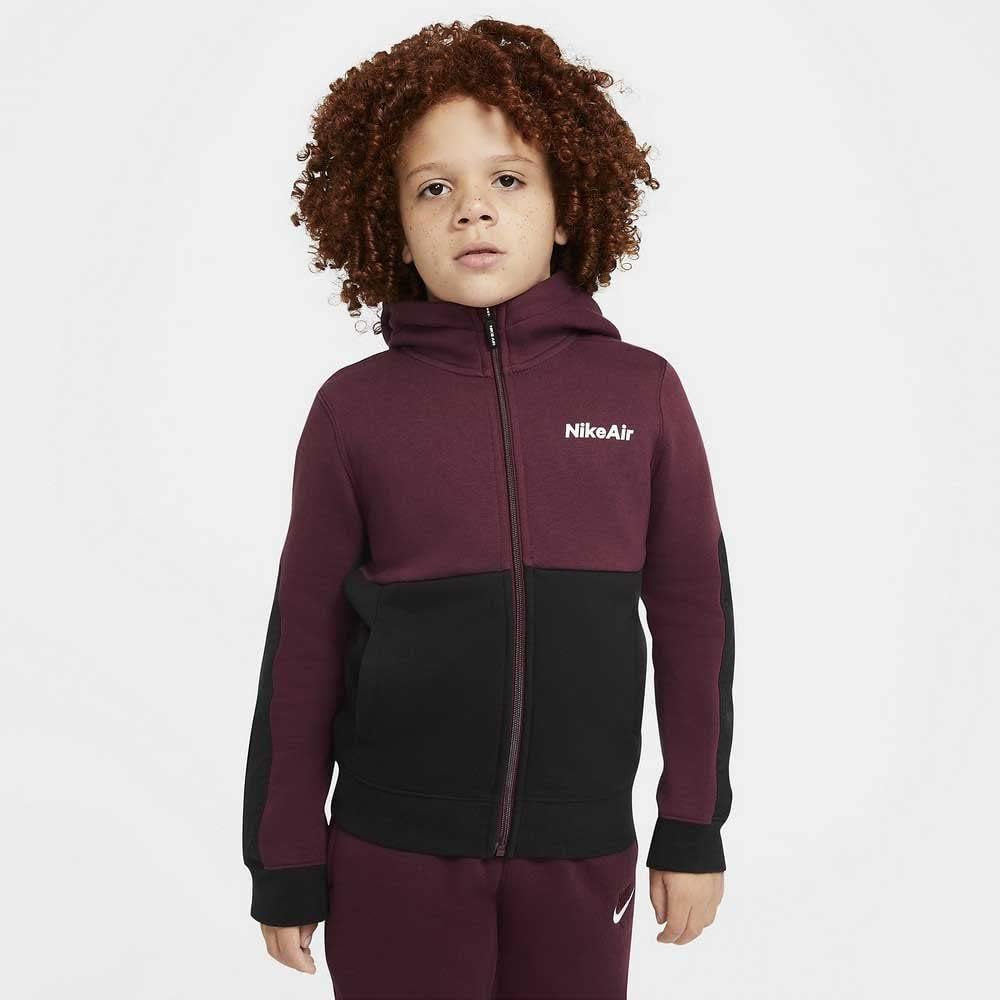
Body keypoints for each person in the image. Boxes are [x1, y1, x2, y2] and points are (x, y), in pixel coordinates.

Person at [242, 18, 735, 998]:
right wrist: (284, 855)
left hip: (580, 853)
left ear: (565, 211)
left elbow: (694, 619)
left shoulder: (640, 393)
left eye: (507, 179)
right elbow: (303, 644)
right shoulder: (355, 409)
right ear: (393, 226)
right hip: (389, 853)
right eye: (435, 188)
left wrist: (692, 824)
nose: (472, 207)